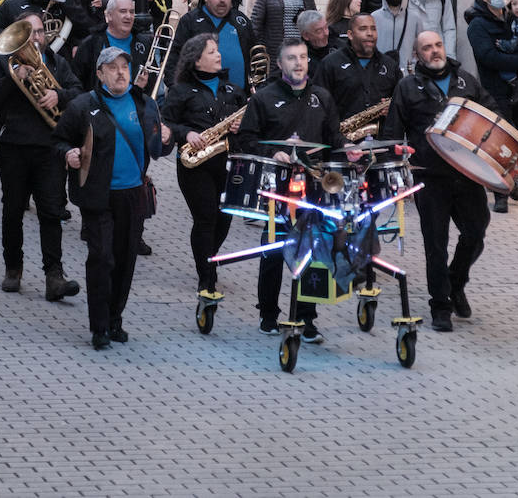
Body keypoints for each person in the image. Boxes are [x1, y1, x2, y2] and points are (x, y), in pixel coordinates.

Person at [53, 46, 172, 350]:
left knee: (125, 260)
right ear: (100, 73)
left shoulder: (144, 103)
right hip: (98, 196)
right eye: (113, 67)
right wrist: (69, 152)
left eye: (124, 67)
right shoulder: (83, 106)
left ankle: (115, 318)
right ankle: (99, 326)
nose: (120, 72)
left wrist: (167, 138)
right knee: (101, 258)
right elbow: (58, 139)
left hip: (133, 195)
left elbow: (158, 148)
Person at [380, 31, 495, 331]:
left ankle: (456, 282)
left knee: (476, 231)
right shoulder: (407, 87)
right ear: (418, 55)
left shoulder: (466, 82)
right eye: (427, 48)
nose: (434, 51)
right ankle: (440, 306)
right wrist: (395, 167)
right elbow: (392, 131)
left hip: (467, 174)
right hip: (429, 176)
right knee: (436, 244)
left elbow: (492, 117)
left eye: (438, 45)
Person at [234, 38, 347, 342]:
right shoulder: (264, 98)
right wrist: (273, 154)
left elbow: (334, 140)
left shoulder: (322, 97)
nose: (298, 63)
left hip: (314, 186)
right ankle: (268, 314)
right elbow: (246, 138)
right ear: (280, 64)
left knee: (312, 251)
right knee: (273, 250)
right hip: (277, 186)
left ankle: (306, 318)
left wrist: (348, 152)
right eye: (291, 58)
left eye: (303, 58)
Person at [0, 11, 84, 299]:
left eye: (39, 32)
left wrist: (58, 96)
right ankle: (13, 268)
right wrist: (14, 80)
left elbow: (79, 92)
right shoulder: (4, 63)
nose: (36, 38)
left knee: (51, 211)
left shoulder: (57, 63)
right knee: (12, 210)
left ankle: (54, 276)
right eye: (30, 33)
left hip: (50, 148)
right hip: (13, 145)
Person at [161, 33, 246, 299]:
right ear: (196, 60)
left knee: (224, 218)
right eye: (211, 52)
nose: (218, 55)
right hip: (195, 164)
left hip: (228, 162)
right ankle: (206, 278)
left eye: (217, 50)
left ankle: (209, 257)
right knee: (206, 218)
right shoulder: (181, 92)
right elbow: (165, 123)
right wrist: (186, 133)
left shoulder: (232, 90)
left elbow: (252, 123)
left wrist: (240, 126)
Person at [464, 0, 518, 212]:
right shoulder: (478, 25)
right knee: (500, 144)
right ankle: (501, 195)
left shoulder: (514, 16)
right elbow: (489, 57)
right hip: (496, 92)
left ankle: (510, 179)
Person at [167, 0, 257, 90]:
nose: (222, 0)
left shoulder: (241, 21)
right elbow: (174, 59)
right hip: (200, 100)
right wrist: (178, 90)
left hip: (239, 99)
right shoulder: (189, 21)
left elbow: (255, 56)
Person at [314, 13, 401, 122]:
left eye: (373, 29)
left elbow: (402, 105)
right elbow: (318, 104)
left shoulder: (390, 65)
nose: (370, 33)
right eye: (363, 29)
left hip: (382, 136)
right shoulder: (330, 64)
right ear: (350, 34)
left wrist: (393, 108)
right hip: (341, 135)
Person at [72, 0, 153, 92]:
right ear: (109, 15)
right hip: (99, 104)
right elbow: (76, 83)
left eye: (131, 12)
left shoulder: (144, 42)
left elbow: (153, 79)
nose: (128, 16)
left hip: (136, 104)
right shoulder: (90, 44)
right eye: (123, 11)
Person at [250, 0, 316, 77]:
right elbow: (255, 24)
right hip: (276, 52)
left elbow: (313, 20)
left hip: (301, 50)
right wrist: (260, 49)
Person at [372, 0, 421, 67]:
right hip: (380, 72)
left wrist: (413, 65)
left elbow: (420, 46)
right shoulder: (374, 17)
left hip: (406, 73)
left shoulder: (415, 18)